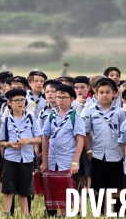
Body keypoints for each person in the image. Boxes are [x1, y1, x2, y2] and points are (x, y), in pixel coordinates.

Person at [40, 84, 85, 217]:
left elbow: (80, 140)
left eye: (64, 97)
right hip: (53, 159)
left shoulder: (75, 116)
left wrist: (75, 162)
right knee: (55, 187)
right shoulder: (51, 115)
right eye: (58, 96)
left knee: (72, 189)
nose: (60, 100)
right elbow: (45, 138)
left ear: (71, 99)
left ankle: (76, 213)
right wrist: (44, 161)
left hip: (68, 159)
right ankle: (58, 213)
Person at [83, 78, 126, 215]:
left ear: (113, 93)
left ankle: (118, 212)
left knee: (117, 186)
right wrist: (89, 150)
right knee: (98, 186)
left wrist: (125, 154)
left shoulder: (120, 112)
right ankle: (100, 213)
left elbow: (124, 134)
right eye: (101, 92)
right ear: (96, 94)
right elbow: (85, 133)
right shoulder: (91, 111)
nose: (105, 95)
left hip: (116, 154)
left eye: (108, 92)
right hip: (97, 154)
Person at [0, 88, 42, 216]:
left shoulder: (31, 118)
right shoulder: (6, 120)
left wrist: (28, 141)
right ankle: (6, 214)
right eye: (16, 100)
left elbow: (39, 138)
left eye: (22, 100)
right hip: (11, 158)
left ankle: (26, 215)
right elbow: (0, 142)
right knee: (8, 189)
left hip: (26, 159)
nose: (20, 103)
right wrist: (9, 144)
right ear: (9, 103)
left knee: (24, 190)